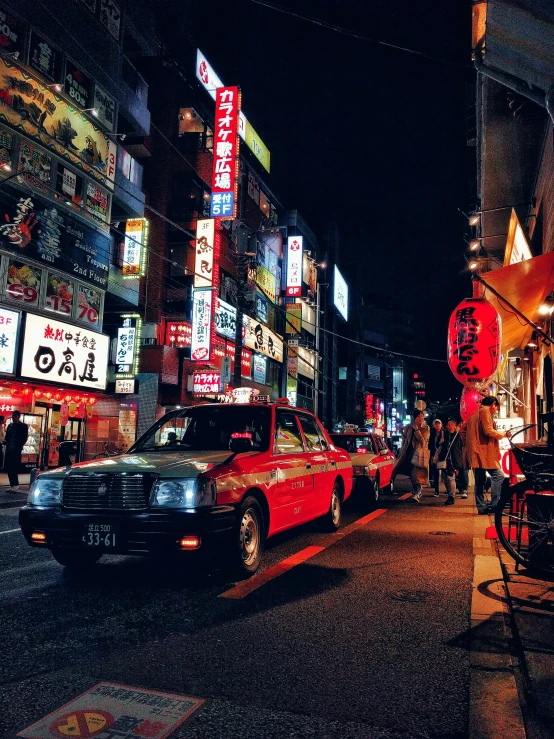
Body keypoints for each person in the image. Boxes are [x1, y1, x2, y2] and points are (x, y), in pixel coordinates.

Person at [464, 396, 507, 514]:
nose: (496, 410)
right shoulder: (485, 411)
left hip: (475, 452)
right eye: (496, 408)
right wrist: (503, 434)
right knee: (499, 476)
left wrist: (470, 444)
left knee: (479, 481)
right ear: (493, 404)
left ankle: (481, 507)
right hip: (484, 452)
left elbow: (462, 430)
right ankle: (494, 505)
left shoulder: (474, 414)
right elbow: (488, 430)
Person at [392, 409, 430, 503]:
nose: (421, 418)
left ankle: (417, 493)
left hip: (418, 454)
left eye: (422, 416)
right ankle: (416, 491)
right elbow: (405, 439)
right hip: (408, 453)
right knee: (412, 474)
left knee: (416, 474)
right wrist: (402, 433)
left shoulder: (426, 428)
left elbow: (423, 441)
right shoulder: (409, 427)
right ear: (415, 418)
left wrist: (417, 430)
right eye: (419, 416)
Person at [437, 418, 464, 506]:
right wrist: (440, 442)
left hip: (453, 461)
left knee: (450, 478)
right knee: (445, 478)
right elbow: (438, 446)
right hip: (445, 460)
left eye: (452, 424)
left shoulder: (457, 436)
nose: (450, 426)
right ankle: (450, 494)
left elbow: (460, 450)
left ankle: (451, 496)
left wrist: (458, 464)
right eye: (448, 424)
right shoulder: (444, 434)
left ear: (455, 425)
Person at [4, 410, 29, 492]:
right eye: (13, 416)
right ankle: (12, 484)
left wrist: (19, 446)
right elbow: (7, 437)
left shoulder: (23, 426)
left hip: (16, 449)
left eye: (15, 416)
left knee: (14, 466)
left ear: (19, 416)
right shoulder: (10, 426)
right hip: (9, 449)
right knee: (8, 467)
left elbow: (25, 438)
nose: (13, 417)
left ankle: (15, 484)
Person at [429, 419, 444, 497]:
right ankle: (436, 491)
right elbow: (430, 445)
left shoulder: (444, 433)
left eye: (438, 424)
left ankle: (448, 489)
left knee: (445, 473)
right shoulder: (432, 434)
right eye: (436, 424)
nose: (437, 426)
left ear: (441, 425)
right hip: (434, 455)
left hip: (442, 455)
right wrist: (431, 454)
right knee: (435, 473)